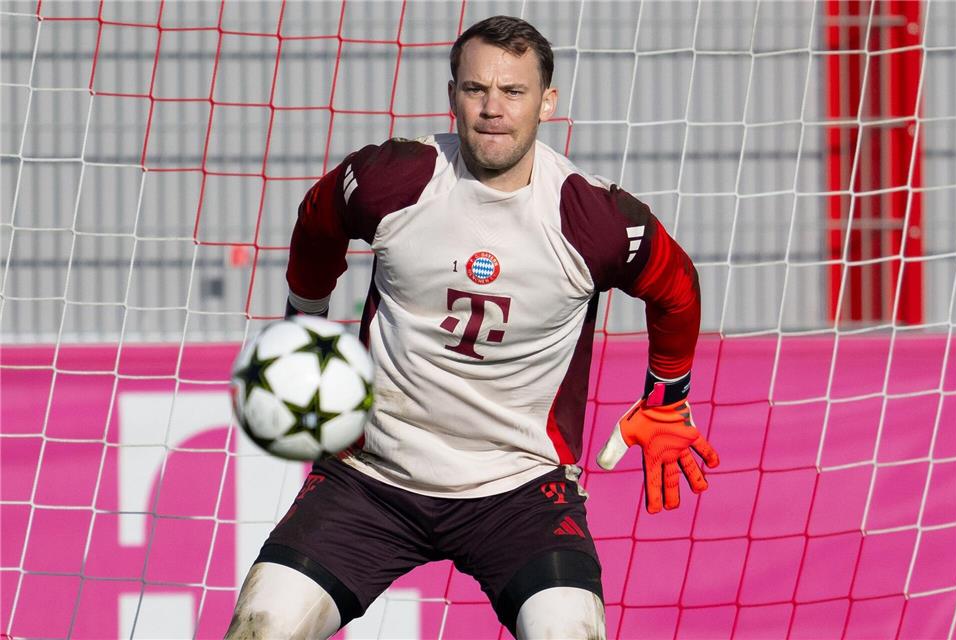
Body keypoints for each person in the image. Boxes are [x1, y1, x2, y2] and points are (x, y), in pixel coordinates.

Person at [226, 15, 719, 640]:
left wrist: (668, 399)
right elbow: (319, 220)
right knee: (260, 629)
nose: (493, 109)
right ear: (452, 93)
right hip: (371, 479)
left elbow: (676, 290)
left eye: (513, 92)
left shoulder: (590, 218)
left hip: (520, 490)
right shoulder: (393, 180)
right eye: (475, 89)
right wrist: (306, 324)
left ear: (547, 102)